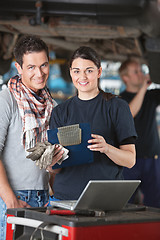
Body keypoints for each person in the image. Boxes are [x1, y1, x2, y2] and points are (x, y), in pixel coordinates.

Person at [49, 46, 137, 201]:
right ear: (70, 73)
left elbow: (130, 160)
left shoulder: (117, 107)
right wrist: (50, 163)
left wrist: (107, 148)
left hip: (105, 199)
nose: (82, 77)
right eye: (76, 71)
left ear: (99, 72)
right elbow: (55, 170)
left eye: (89, 70)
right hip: (65, 199)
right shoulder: (60, 112)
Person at [0, 35, 64, 240]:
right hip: (13, 197)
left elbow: (52, 166)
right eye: (31, 67)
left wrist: (55, 168)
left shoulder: (51, 106)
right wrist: (11, 201)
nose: (39, 73)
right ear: (18, 68)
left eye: (44, 65)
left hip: (44, 198)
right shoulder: (6, 99)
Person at [119, 58, 160, 208]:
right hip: (129, 162)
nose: (141, 74)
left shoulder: (151, 95)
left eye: (141, 71)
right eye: (136, 72)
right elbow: (129, 113)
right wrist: (144, 87)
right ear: (126, 78)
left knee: (155, 205)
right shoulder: (119, 100)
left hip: (152, 159)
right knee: (124, 204)